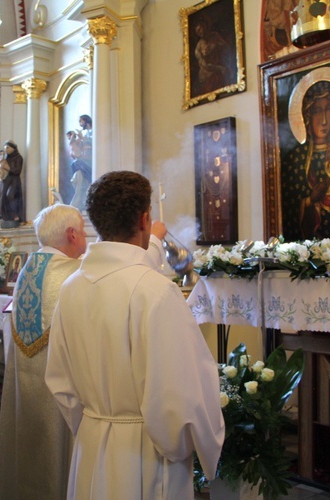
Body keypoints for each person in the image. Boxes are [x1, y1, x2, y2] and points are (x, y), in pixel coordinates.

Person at [45, 171, 224, 499]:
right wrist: (195, 448)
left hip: (90, 443)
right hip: (146, 458)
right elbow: (181, 398)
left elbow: (60, 382)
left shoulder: (71, 288)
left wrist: (95, 426)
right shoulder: (156, 291)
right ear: (144, 220)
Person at [0, 204, 88, 500]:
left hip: (28, 389)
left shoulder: (27, 271)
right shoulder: (76, 275)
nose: (86, 238)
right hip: (62, 392)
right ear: (72, 234)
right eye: (84, 231)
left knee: (31, 452)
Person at [281, 80, 330, 240]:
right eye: (317, 111)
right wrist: (310, 200)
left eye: (329, 109)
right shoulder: (294, 159)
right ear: (307, 115)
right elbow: (287, 206)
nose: (324, 120)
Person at [192, 17, 234, 96]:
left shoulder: (215, 36)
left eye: (202, 28)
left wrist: (217, 47)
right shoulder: (198, 48)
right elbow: (205, 65)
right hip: (208, 76)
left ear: (205, 26)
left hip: (219, 72)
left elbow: (227, 49)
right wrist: (220, 68)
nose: (201, 31)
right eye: (198, 30)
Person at [67, 114, 93, 211]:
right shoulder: (86, 133)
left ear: (86, 121)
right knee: (76, 167)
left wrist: (83, 138)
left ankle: (90, 176)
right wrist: (74, 141)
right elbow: (81, 146)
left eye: (81, 121)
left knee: (77, 163)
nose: (80, 123)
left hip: (90, 160)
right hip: (85, 158)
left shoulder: (93, 132)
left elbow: (95, 142)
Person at [0, 140, 24, 226]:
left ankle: (15, 215)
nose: (6, 150)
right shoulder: (5, 159)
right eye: (5, 148)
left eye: (8, 148)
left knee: (11, 195)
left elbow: (17, 171)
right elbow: (0, 169)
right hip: (5, 181)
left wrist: (6, 167)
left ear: (13, 148)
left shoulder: (18, 158)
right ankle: (5, 216)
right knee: (2, 197)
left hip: (14, 181)